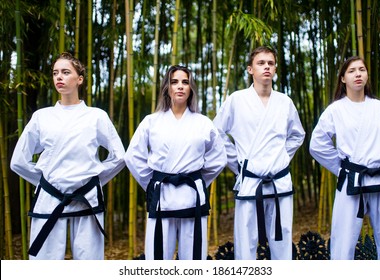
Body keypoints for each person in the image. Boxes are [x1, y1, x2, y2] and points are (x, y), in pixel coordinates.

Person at [10, 52, 126, 260]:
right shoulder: (41, 117)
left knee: (89, 265)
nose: (59, 77)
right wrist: (46, 182)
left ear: (79, 79)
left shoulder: (96, 116)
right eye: (55, 73)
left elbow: (119, 157)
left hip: (86, 198)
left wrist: (94, 181)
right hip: (49, 198)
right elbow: (18, 161)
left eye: (65, 72)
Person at [124, 65, 226, 260]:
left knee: (194, 261)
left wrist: (198, 180)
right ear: (167, 88)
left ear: (191, 89)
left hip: (192, 197)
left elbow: (219, 157)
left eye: (185, 82)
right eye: (174, 82)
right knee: (158, 260)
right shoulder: (151, 121)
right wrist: (153, 183)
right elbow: (132, 156)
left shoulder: (203, 122)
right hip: (161, 197)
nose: (180, 86)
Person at [213, 46, 305, 260]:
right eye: (261, 63)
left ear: (275, 69)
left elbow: (298, 135)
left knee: (282, 240)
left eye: (270, 63)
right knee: (245, 242)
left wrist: (281, 157)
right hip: (250, 181)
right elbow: (216, 133)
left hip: (279, 180)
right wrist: (237, 163)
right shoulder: (236, 100)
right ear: (250, 69)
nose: (266, 67)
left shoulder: (285, 102)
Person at [309, 56, 380, 260]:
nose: (358, 74)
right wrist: (341, 168)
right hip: (351, 179)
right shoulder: (335, 110)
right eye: (352, 70)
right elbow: (317, 144)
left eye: (362, 69)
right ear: (343, 78)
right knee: (343, 241)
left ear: (367, 75)